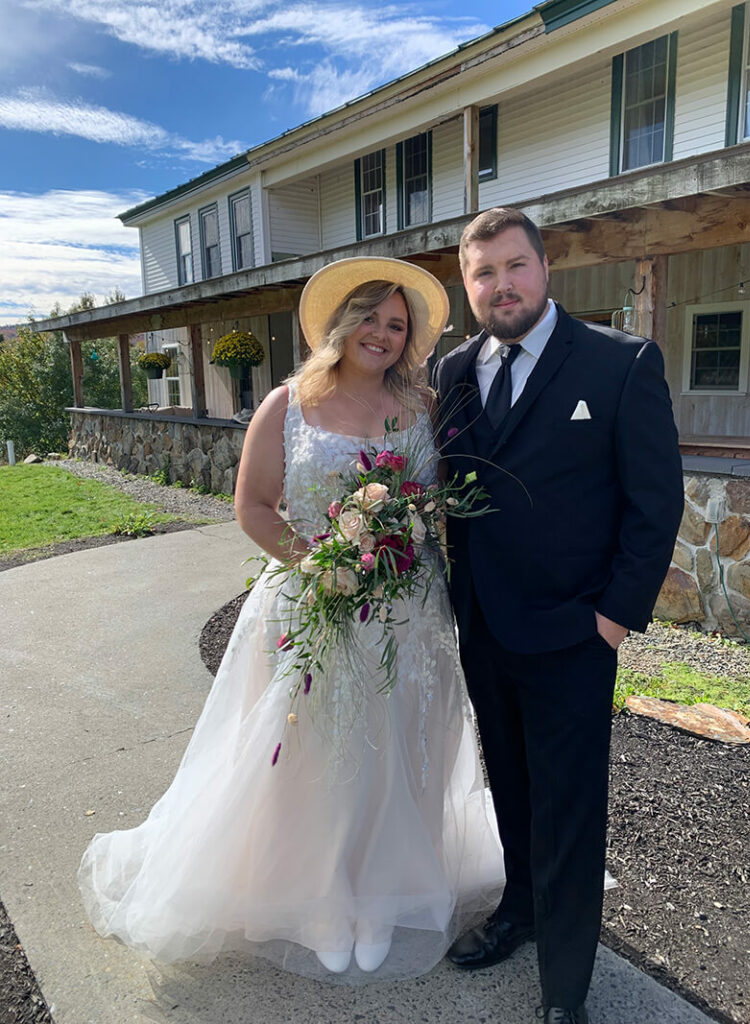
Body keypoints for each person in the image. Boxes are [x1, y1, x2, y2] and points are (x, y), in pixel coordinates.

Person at [78, 256, 504, 983]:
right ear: (341, 323)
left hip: (408, 612)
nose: (381, 333)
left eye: (397, 325)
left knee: (397, 750)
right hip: (312, 604)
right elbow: (252, 507)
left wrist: (402, 544)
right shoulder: (289, 403)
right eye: (369, 316)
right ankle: (317, 901)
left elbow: (435, 506)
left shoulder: (424, 409)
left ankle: (378, 895)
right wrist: (325, 562)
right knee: (313, 758)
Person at [434, 208, 684, 1024]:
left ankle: (565, 988)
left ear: (545, 269)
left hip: (575, 636)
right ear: (468, 286)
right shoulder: (455, 372)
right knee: (509, 786)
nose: (499, 284)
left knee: (571, 810)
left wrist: (613, 620)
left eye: (514, 266)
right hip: (486, 629)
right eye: (483, 273)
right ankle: (521, 910)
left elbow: (655, 504)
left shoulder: (620, 363)